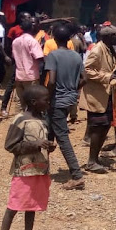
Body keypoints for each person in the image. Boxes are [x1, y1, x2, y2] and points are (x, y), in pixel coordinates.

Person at [0, 84, 56, 230]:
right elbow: (11, 146)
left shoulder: (43, 119)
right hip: (24, 170)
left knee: (31, 207)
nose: (48, 103)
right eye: (45, 100)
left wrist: (48, 146)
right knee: (13, 207)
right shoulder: (20, 120)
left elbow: (42, 142)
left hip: (40, 169)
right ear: (34, 102)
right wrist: (35, 144)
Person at [44, 24, 86, 190]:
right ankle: (41, 169)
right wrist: (74, 88)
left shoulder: (53, 55)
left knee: (62, 138)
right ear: (69, 40)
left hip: (57, 100)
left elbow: (52, 80)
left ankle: (77, 175)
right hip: (69, 99)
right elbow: (85, 78)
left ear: (54, 39)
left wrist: (46, 96)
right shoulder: (76, 56)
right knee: (48, 132)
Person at [82, 25, 116, 174]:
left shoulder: (111, 49)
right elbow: (87, 70)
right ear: (107, 37)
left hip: (107, 94)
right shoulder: (97, 50)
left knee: (105, 126)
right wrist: (107, 77)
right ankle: (91, 161)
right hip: (97, 95)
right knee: (98, 127)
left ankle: (95, 158)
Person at [11, 17, 44, 112]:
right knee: (33, 101)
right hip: (31, 76)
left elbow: (14, 56)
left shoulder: (15, 41)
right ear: (32, 28)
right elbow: (39, 57)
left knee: (20, 102)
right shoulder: (32, 41)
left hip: (19, 75)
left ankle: (19, 121)